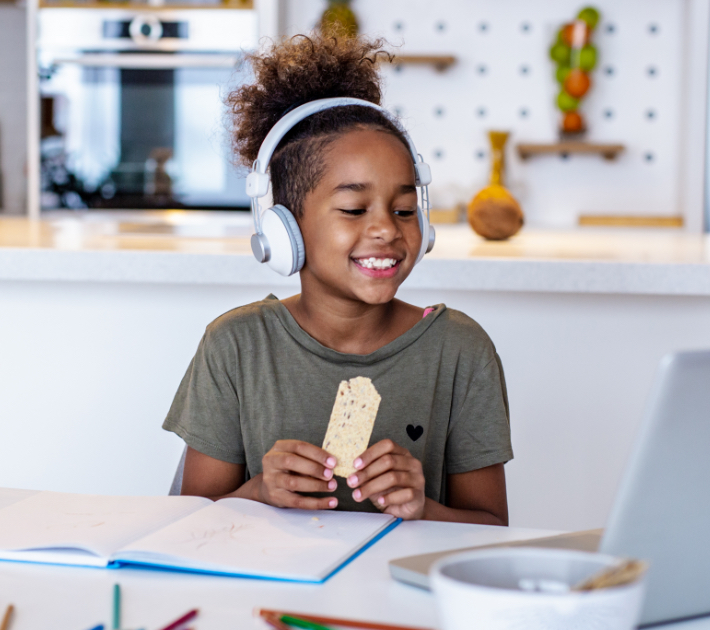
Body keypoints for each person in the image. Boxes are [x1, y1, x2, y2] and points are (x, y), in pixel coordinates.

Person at [164, 35, 512, 525]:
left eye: (405, 209)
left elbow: (492, 527)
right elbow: (187, 525)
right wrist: (259, 491)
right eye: (353, 208)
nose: (387, 229)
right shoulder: (236, 347)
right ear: (283, 229)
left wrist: (423, 507)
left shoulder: (460, 350)